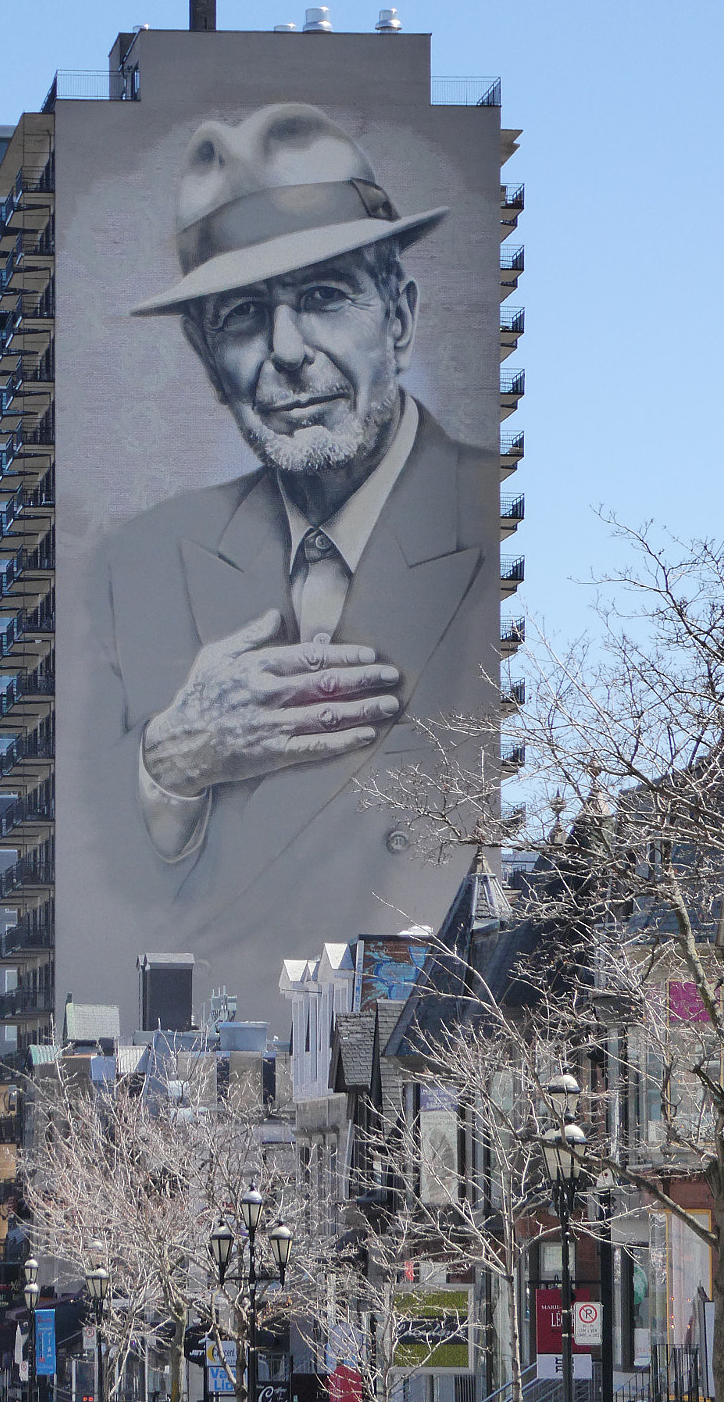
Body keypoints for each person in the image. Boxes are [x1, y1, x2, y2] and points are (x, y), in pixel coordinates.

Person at [89, 102, 496, 960]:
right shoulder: (143, 560)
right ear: (209, 361)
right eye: (241, 316)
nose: (287, 350)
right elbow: (109, 884)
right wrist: (169, 762)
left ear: (400, 317)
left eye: (321, 297)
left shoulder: (486, 521)